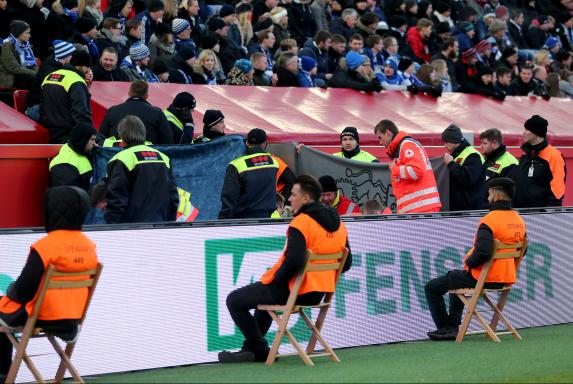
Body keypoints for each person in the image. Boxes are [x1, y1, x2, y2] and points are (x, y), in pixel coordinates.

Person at [218, 174, 352, 363]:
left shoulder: (302, 222)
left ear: (305, 198)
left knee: (234, 300)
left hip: (296, 289)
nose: (289, 198)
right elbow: (346, 264)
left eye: (293, 195)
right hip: (320, 292)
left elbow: (294, 261)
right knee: (262, 301)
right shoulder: (340, 225)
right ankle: (253, 349)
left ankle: (259, 348)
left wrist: (276, 280)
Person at [0, 186, 99, 379]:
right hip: (71, 319)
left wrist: (10, 291)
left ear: (50, 210)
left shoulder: (45, 246)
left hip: (43, 315)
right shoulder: (90, 247)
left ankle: (3, 375)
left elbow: (23, 291)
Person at [424, 177, 526, 340]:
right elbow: (523, 250)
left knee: (432, 287)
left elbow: (483, 252)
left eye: (489, 194)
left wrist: (469, 263)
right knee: (455, 280)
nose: (487, 198)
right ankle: (451, 326)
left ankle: (446, 328)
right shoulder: (519, 220)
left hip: (483, 277)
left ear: (497, 197)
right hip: (505, 278)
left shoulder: (490, 220)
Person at [104, 115, 179, 224]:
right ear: (143, 133)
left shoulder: (121, 159)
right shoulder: (163, 158)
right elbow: (173, 196)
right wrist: (170, 222)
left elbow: (117, 199)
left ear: (122, 135)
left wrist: (113, 227)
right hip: (161, 226)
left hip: (132, 229)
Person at [374, 119, 441, 213]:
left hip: (422, 207)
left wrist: (395, 169)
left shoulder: (406, 145)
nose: (380, 142)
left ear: (388, 133)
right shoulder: (402, 147)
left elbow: (417, 171)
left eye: (380, 137)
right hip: (417, 208)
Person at [218, 128, 279, 219]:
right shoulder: (274, 163)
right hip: (268, 220)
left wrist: (222, 222)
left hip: (244, 222)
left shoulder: (236, 165)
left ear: (247, 143)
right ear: (265, 143)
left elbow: (229, 199)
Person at [513, 115, 566, 208]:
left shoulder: (554, 156)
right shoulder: (525, 155)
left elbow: (557, 189)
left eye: (527, 130)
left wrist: (550, 213)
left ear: (537, 133)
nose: (523, 133)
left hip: (540, 215)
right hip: (520, 211)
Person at [40, 50, 92, 144]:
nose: (88, 70)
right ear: (79, 65)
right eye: (87, 66)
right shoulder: (76, 81)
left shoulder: (49, 76)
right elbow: (81, 114)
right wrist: (86, 138)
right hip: (68, 137)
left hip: (49, 134)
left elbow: (42, 108)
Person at [99, 80, 174, 145]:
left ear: (129, 93)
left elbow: (101, 137)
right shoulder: (157, 113)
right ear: (146, 96)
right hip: (147, 157)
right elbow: (168, 141)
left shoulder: (113, 111)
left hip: (117, 156)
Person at [442, 124, 486, 211]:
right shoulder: (457, 155)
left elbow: (467, 179)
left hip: (469, 210)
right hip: (459, 209)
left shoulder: (473, 155)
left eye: (446, 142)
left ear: (454, 140)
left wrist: (451, 164)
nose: (444, 145)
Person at [49, 122, 97, 192]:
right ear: (83, 139)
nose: (94, 143)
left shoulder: (82, 152)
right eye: (92, 139)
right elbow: (68, 197)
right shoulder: (64, 163)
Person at [0, 20, 37, 89]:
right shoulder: (6, 46)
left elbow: (33, 65)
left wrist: (39, 74)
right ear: (19, 33)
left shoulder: (26, 46)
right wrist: (36, 74)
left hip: (21, 75)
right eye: (27, 33)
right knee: (33, 80)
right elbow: (14, 68)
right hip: (9, 78)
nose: (30, 36)